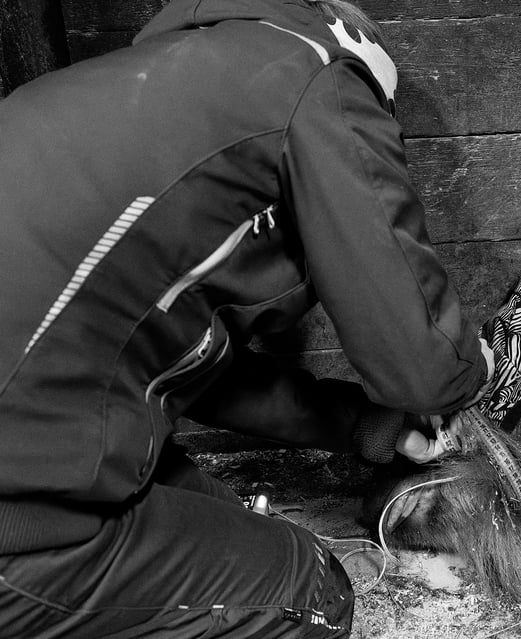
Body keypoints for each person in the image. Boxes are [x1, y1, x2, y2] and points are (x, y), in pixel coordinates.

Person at [0, 0, 493, 636]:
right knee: (308, 591)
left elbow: (191, 368)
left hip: (37, 438)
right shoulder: (323, 77)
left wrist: (357, 424)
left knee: (223, 520)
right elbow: (422, 370)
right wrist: (477, 362)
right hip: (21, 513)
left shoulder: (140, 92)